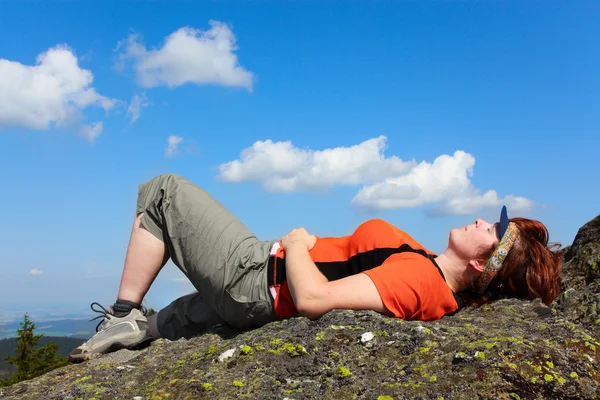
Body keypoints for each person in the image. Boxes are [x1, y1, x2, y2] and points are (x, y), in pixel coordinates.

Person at [69, 174, 562, 362]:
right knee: (183, 312)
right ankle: (135, 336)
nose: (481, 219)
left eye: (491, 230)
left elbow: (314, 300)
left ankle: (122, 314)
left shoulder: (422, 283)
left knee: (163, 193)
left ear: (481, 261)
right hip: (256, 285)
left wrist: (298, 244)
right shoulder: (429, 269)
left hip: (260, 275)